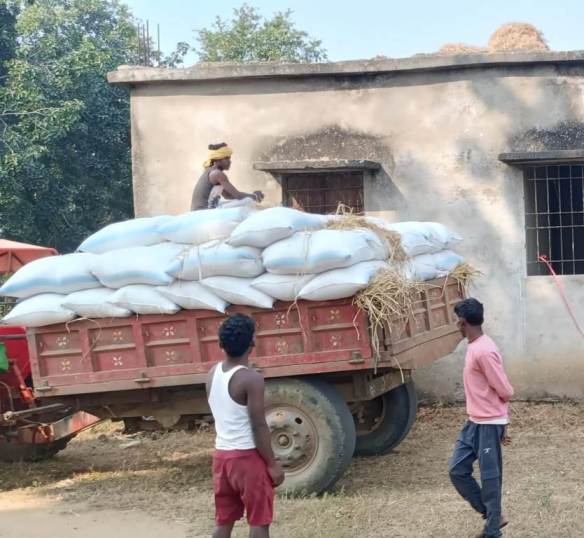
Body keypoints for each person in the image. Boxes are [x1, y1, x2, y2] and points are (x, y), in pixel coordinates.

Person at [206, 314, 284, 538]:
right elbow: (258, 426)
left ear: (221, 344)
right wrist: (272, 464)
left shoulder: (212, 373)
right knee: (259, 522)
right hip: (247, 459)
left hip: (222, 458)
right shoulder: (251, 379)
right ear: (252, 344)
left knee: (224, 521)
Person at [448, 298, 514, 538]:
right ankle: (493, 516)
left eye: (457, 320)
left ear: (463, 322)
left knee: (490, 479)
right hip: (474, 421)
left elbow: (505, 389)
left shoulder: (484, 351)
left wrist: (502, 420)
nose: (456, 324)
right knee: (457, 470)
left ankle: (492, 531)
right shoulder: (475, 346)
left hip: (489, 423)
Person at [191, 143, 264, 210]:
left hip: (205, 208)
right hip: (203, 211)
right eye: (226, 158)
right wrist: (255, 196)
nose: (230, 161)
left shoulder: (213, 172)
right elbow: (238, 195)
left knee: (245, 200)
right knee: (248, 201)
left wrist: (252, 196)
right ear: (218, 160)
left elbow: (228, 196)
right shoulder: (217, 174)